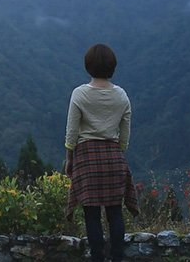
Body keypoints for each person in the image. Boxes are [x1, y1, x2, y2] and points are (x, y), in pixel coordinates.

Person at [64, 43, 139, 262]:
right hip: (114, 157)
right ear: (112, 66)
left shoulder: (79, 94)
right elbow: (125, 134)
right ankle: (117, 257)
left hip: (87, 158)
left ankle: (97, 257)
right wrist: (119, 151)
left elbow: (72, 132)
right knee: (115, 210)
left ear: (88, 66)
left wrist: (70, 159)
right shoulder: (121, 96)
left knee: (92, 212)